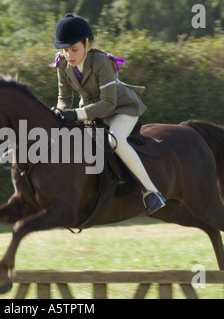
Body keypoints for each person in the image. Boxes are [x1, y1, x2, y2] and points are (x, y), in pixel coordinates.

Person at [53, 13, 166, 215]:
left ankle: (152, 192)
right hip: (91, 110)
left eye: (74, 49)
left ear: (88, 44)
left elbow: (108, 103)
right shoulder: (62, 64)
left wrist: (76, 114)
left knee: (115, 139)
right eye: (65, 50)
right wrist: (58, 113)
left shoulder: (100, 61)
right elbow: (64, 98)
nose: (69, 54)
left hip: (122, 107)